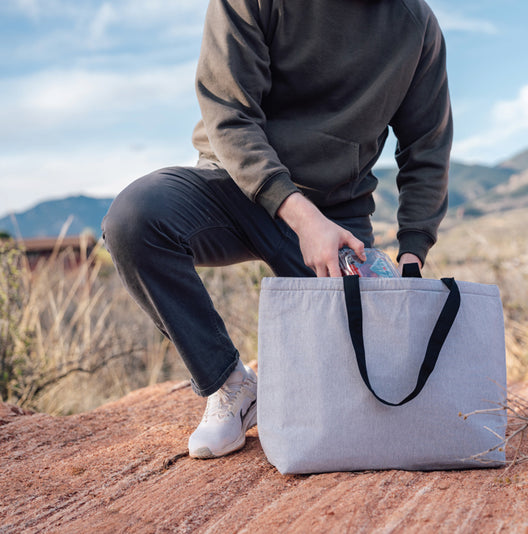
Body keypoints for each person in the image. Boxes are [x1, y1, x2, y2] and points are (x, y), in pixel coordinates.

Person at [102, 0, 452, 459]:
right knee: (134, 220)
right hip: (233, 186)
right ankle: (229, 384)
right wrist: (302, 218)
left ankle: (293, 370)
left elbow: (426, 147)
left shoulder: (416, 25)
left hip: (338, 217)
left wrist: (412, 255)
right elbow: (229, 115)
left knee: (368, 400)